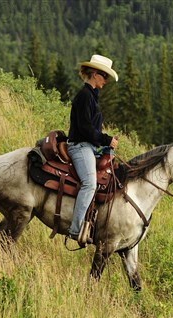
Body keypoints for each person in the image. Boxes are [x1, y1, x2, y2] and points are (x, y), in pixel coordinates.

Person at [66, 54, 119, 246]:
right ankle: (75, 228)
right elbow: (86, 129)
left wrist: (104, 142)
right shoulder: (85, 96)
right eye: (104, 76)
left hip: (88, 146)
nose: (106, 81)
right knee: (90, 183)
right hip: (80, 147)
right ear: (95, 74)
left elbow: (90, 130)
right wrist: (106, 139)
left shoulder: (91, 96)